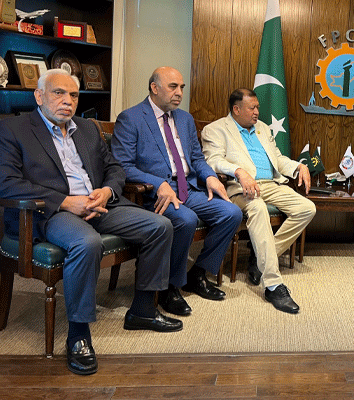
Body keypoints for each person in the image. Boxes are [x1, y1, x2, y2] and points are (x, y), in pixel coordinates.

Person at [0, 69, 182, 376]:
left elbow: (114, 168)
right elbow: (6, 183)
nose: (67, 101)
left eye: (73, 95)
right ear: (39, 96)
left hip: (100, 204)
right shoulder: (13, 129)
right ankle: (78, 334)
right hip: (51, 212)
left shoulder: (86, 128)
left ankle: (142, 310)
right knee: (87, 243)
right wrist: (65, 201)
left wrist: (107, 191)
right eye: (59, 93)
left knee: (160, 226)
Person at [111, 67, 242, 317]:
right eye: (173, 87)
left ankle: (197, 274)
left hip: (189, 187)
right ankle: (169, 288)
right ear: (154, 88)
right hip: (154, 193)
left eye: (182, 87)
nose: (179, 92)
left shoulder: (185, 119)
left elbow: (197, 158)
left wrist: (210, 176)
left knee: (231, 213)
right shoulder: (131, 118)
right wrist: (156, 182)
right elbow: (122, 166)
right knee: (185, 219)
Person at [200, 88, 316, 314]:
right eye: (252, 108)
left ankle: (261, 256)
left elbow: (278, 159)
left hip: (271, 184)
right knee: (259, 209)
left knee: (306, 208)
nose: (257, 112)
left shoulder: (263, 128)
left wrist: (298, 166)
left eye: (258, 107)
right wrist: (238, 171)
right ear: (236, 109)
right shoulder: (215, 130)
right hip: (240, 188)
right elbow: (213, 161)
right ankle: (273, 284)